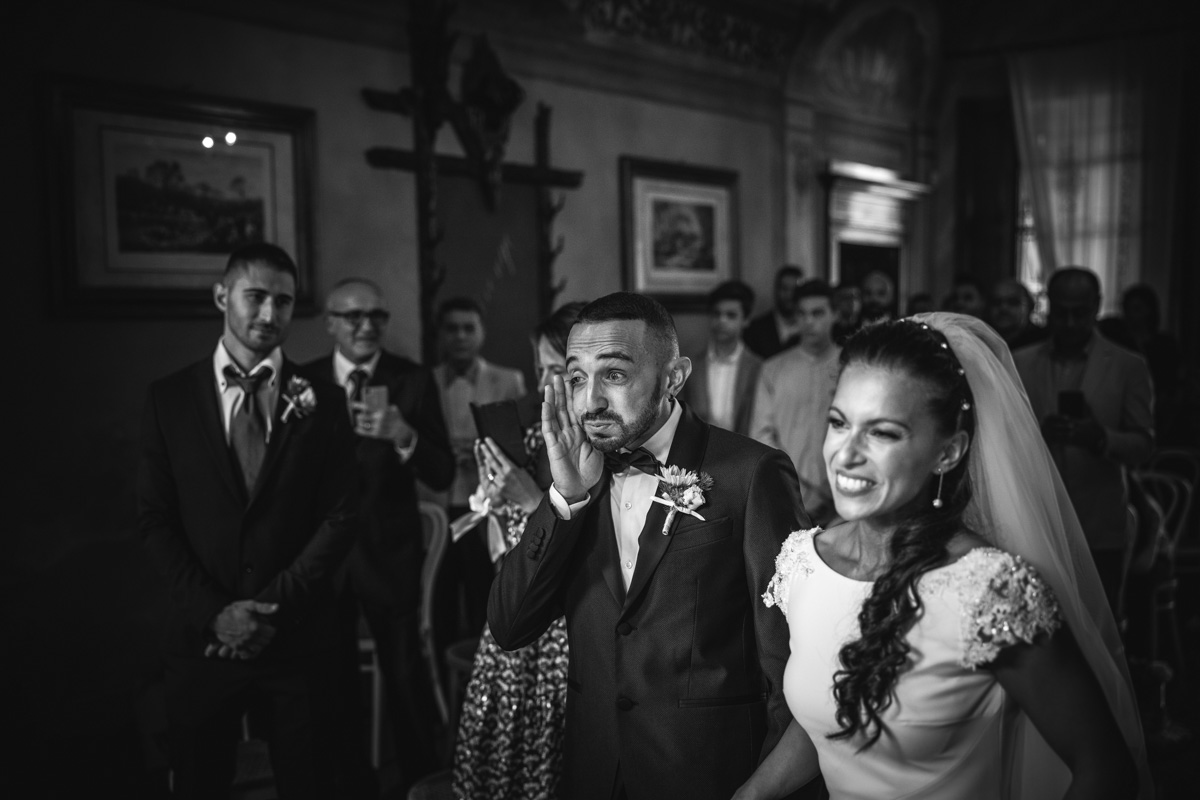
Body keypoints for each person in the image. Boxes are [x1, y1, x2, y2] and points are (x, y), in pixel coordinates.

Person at [736, 313, 1148, 800]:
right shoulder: (805, 563)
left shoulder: (989, 591)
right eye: (839, 423)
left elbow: (1106, 769)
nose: (846, 454)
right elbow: (827, 720)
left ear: (948, 452)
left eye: (883, 432)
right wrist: (750, 794)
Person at [488, 292, 811, 800]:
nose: (590, 402)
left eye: (614, 375)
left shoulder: (751, 475)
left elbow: (789, 661)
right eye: (577, 378)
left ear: (674, 377)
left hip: (709, 775)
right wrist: (565, 499)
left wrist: (765, 789)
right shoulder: (577, 475)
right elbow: (511, 626)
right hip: (595, 774)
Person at [137, 243, 358, 799]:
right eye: (255, 297)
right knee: (199, 784)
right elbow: (155, 520)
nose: (268, 313)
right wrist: (217, 615)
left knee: (311, 785)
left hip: (298, 638)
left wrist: (270, 610)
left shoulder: (324, 401)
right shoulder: (168, 399)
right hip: (202, 643)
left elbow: (341, 515)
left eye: (283, 301)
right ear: (222, 296)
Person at [304, 278, 454, 795]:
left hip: (390, 554)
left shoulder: (411, 380)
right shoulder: (304, 381)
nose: (367, 326)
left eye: (377, 316)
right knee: (331, 682)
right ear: (331, 323)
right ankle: (351, 786)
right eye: (354, 316)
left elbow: (441, 473)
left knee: (406, 677)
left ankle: (421, 784)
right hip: (322, 558)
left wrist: (403, 435)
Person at [452, 301, 586, 800]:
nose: (545, 384)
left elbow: (596, 557)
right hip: (513, 616)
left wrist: (532, 500)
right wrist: (494, 496)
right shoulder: (531, 436)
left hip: (565, 632)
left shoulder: (604, 448)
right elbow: (503, 551)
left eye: (558, 370)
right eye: (540, 370)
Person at [1014, 267, 1154, 610]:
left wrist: (1100, 438)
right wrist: (1037, 435)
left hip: (1099, 525)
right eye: (1062, 312)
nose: (1070, 323)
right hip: (1036, 523)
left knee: (1099, 626)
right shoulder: (1020, 362)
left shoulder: (1127, 366)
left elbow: (1144, 446)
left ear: (1097, 306)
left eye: (1080, 313)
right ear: (1049, 306)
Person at [433, 296, 527, 640]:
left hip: (490, 506)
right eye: (452, 328)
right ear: (441, 334)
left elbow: (521, 443)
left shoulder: (509, 380)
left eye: (468, 328)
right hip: (440, 502)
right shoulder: (426, 381)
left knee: (484, 597)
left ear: (481, 332)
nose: (460, 336)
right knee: (440, 600)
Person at [750, 280, 841, 524]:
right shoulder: (773, 369)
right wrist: (793, 485)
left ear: (835, 314)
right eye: (802, 314)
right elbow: (762, 436)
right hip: (789, 495)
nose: (808, 322)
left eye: (817, 313)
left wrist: (832, 489)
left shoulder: (852, 366)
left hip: (843, 493)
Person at [681, 280, 763, 436]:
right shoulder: (691, 364)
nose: (721, 321)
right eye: (716, 314)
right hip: (698, 447)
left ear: (746, 320)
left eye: (731, 315)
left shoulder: (758, 367)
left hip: (743, 447)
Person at [744, 265, 804, 359]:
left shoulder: (809, 327)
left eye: (795, 290)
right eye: (784, 289)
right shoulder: (755, 329)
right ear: (776, 290)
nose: (790, 295)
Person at [989, 277, 1048, 351]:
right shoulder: (983, 340)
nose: (1003, 308)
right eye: (996, 302)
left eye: (1013, 302)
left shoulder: (1042, 342)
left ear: (1029, 306)